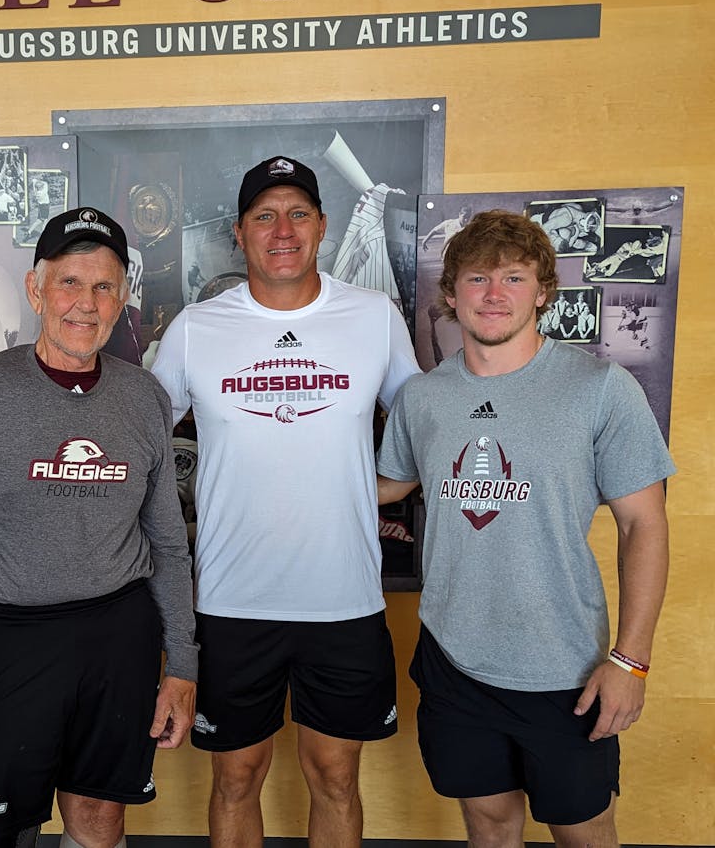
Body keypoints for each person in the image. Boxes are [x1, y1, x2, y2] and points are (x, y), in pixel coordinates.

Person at [376, 210, 673, 848]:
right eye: (477, 278)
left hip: (565, 670)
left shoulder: (600, 388)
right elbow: (390, 484)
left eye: (514, 277)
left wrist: (631, 661)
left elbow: (643, 525)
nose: (494, 294)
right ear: (451, 294)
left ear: (541, 292)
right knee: (488, 824)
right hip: (454, 662)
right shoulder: (423, 398)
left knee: (583, 832)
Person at [0, 207, 198, 848]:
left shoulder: (144, 397)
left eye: (103, 287)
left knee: (99, 817)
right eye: (69, 282)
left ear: (122, 299)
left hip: (118, 636)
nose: (85, 305)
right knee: (2, 827)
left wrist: (183, 664)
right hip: (10, 638)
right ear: (37, 289)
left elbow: (169, 547)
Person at [150, 155, 419, 848]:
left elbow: (429, 430)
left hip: (344, 600)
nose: (282, 229)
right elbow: (143, 449)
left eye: (298, 212)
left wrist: (375, 488)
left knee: (334, 774)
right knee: (237, 777)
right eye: (264, 215)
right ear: (239, 232)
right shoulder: (196, 329)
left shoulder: (375, 317)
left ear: (323, 226)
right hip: (233, 601)